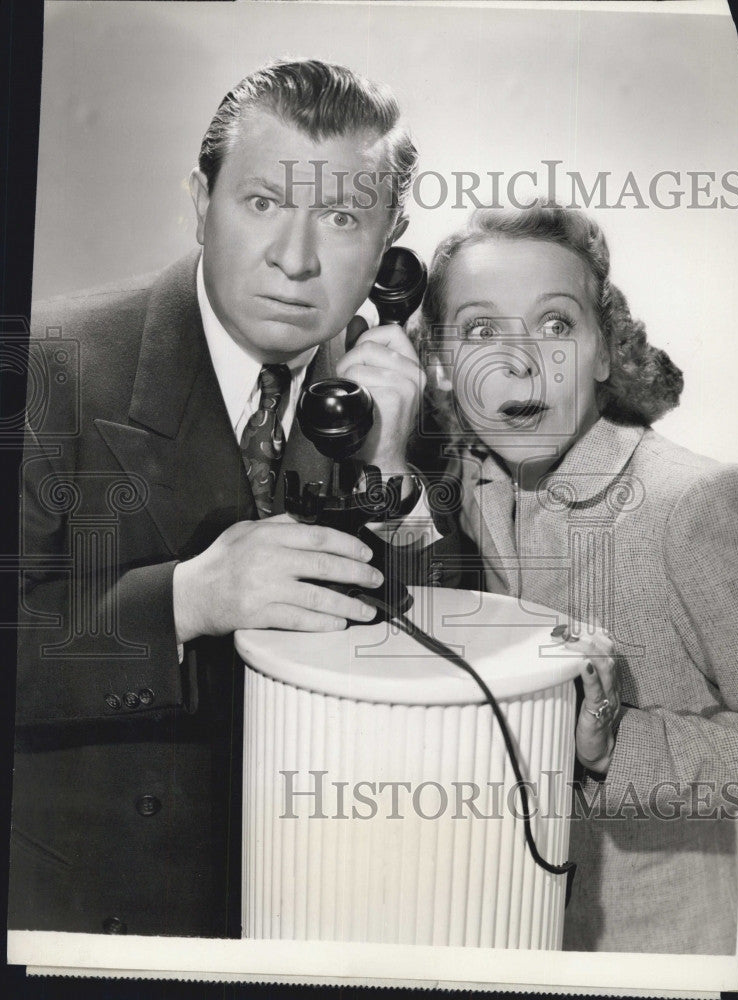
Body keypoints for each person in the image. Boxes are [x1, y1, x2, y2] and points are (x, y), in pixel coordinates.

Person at [10, 59, 453, 938]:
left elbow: (445, 666)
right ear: (199, 198)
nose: (296, 260)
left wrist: (392, 473)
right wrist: (188, 599)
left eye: (340, 218)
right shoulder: (44, 363)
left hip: (310, 904)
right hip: (89, 919)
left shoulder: (395, 394)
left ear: (392, 242)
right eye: (262, 205)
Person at [412, 203, 738, 954]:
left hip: (664, 949)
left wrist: (614, 748)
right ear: (438, 362)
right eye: (479, 331)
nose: (520, 362)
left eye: (557, 325)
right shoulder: (469, 487)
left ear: (606, 351)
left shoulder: (696, 504)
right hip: (508, 924)